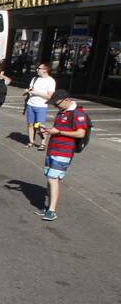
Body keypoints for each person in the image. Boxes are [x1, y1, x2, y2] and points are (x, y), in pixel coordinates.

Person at [35, 89, 89, 221]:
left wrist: (58, 131)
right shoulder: (62, 111)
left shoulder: (77, 113)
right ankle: (48, 208)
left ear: (67, 100)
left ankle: (52, 211)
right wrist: (47, 131)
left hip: (64, 151)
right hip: (53, 149)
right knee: (49, 178)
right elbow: (58, 130)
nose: (55, 106)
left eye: (57, 103)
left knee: (53, 179)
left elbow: (80, 133)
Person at [24, 63, 56, 150]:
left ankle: (43, 143)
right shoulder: (35, 79)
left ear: (45, 70)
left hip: (41, 106)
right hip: (31, 104)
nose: (37, 70)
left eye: (39, 68)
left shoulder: (51, 81)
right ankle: (31, 141)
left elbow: (49, 96)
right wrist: (28, 91)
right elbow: (31, 89)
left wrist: (36, 92)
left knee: (40, 125)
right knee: (30, 124)